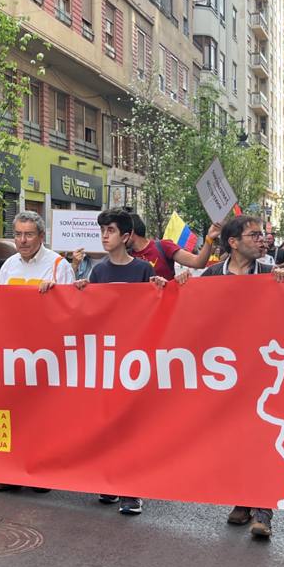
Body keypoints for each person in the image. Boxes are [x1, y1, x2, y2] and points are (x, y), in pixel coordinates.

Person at [75, 207, 168, 517]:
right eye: (102, 231)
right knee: (107, 421)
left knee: (131, 424)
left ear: (126, 237)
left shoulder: (142, 271)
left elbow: (154, 311)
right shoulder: (98, 272)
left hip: (134, 357)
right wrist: (80, 291)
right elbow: (92, 312)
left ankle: (132, 491)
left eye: (111, 231)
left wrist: (159, 290)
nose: (104, 236)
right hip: (107, 356)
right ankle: (110, 481)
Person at [0, 211, 72, 493]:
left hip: (45, 352)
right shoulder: (8, 267)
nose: (23, 240)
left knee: (42, 413)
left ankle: (42, 471)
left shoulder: (58, 265)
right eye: (18, 234)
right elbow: (0, 305)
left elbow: (71, 311)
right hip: (14, 350)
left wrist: (56, 295)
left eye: (28, 234)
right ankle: (10, 472)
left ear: (41, 236)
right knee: (13, 410)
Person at [199, 216, 284, 539]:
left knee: (262, 436)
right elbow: (193, 311)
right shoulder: (210, 275)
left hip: (261, 371)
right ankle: (241, 499)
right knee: (233, 436)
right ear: (233, 243)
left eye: (261, 235)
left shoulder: (269, 274)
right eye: (253, 235)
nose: (261, 240)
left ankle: (263, 509)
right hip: (225, 373)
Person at [127, 212, 218, 280]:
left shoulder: (163, 246)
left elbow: (198, 262)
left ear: (130, 233)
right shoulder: (123, 255)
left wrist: (209, 238)